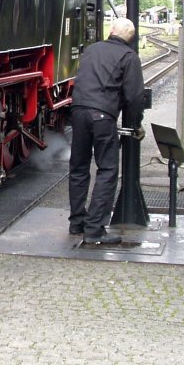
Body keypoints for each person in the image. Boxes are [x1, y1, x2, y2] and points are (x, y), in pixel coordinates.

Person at [68, 17, 146, 244]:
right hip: (103, 116)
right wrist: (135, 123)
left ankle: (76, 223)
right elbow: (134, 97)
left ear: (111, 31)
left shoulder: (92, 49)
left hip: (79, 111)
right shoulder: (129, 56)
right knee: (108, 170)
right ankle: (94, 230)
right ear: (130, 38)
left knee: (79, 168)